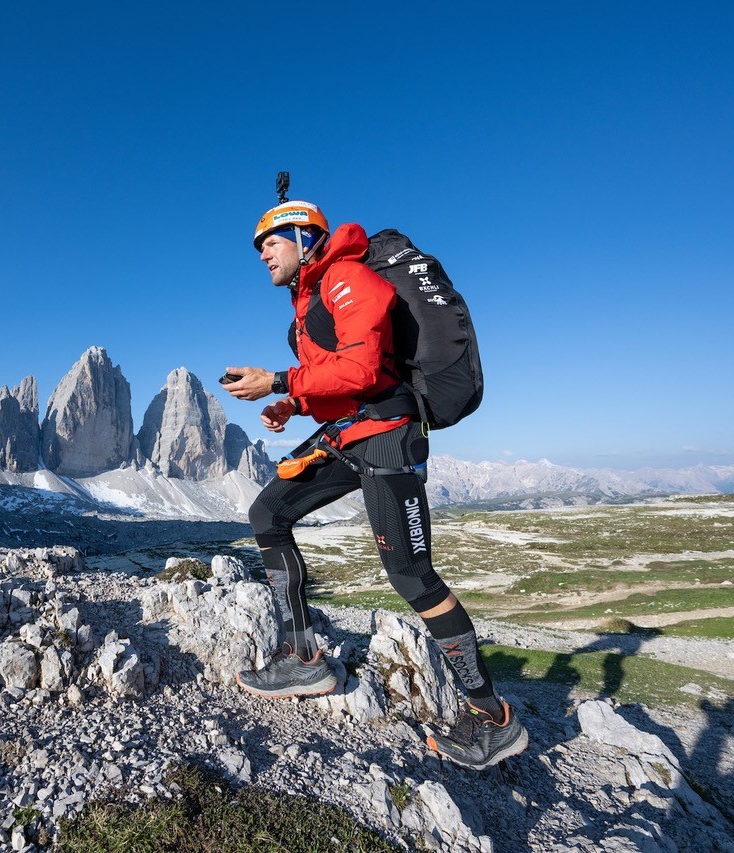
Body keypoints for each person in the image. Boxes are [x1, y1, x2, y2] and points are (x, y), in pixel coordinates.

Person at [222, 199, 528, 770]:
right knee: (268, 513)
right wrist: (293, 404)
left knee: (411, 575)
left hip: (388, 436)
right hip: (353, 432)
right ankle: (302, 658)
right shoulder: (310, 297)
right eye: (258, 245)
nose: (262, 253)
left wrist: (279, 381)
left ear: (305, 239)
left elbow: (363, 370)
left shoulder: (346, 277)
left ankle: (493, 718)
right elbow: (344, 379)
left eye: (272, 241)